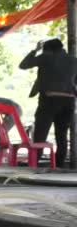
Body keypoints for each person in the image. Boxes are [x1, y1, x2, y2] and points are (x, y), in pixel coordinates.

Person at [19, 38, 77, 167]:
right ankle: (60, 164)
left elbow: (23, 65)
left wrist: (35, 50)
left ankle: (34, 162)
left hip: (49, 100)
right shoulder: (74, 61)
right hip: (68, 101)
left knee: (40, 133)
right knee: (62, 134)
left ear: (48, 50)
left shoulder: (46, 57)